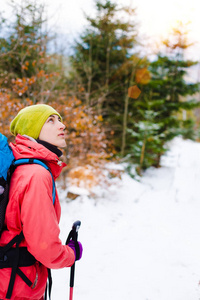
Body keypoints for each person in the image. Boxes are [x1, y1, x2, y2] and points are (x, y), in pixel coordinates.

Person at [0, 104, 83, 300]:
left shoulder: (19, 167)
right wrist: (71, 253)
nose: (61, 126)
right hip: (17, 287)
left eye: (60, 119)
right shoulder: (36, 175)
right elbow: (45, 248)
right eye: (51, 121)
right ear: (32, 130)